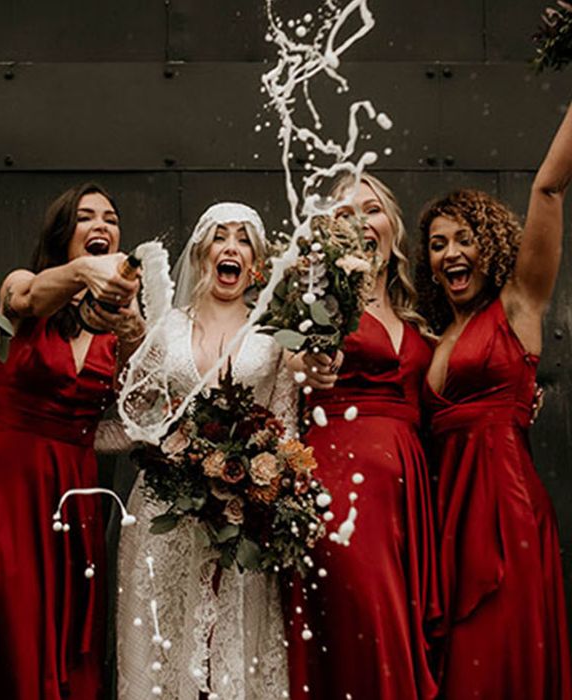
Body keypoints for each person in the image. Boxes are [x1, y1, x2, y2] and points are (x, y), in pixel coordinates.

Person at [0, 182, 142, 699]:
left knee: (68, 640)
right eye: (86, 217)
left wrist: (136, 330)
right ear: (61, 235)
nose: (102, 226)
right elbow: (24, 296)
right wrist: (83, 275)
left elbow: (143, 409)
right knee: (4, 628)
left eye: (111, 219)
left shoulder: (121, 322)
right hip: (3, 489)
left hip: (76, 493)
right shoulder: (23, 288)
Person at [417, 103, 572, 699]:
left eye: (464, 238)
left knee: (500, 664)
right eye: (436, 244)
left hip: (505, 518)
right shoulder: (429, 339)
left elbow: (550, 188)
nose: (450, 252)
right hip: (446, 524)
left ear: (492, 246)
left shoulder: (517, 305)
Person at [115, 202, 295, 699]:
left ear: (256, 262)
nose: (230, 247)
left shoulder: (272, 336)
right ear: (202, 253)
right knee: (160, 633)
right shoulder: (166, 327)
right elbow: (138, 407)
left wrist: (265, 490)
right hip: (163, 507)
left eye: (242, 239)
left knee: (232, 640)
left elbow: (285, 424)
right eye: (220, 237)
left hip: (238, 512)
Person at [282, 173, 440, 700]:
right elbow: (292, 364)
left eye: (371, 210)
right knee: (369, 619)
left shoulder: (418, 310)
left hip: (407, 493)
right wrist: (306, 365)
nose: (361, 223)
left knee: (398, 620)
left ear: (391, 226)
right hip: (340, 483)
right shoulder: (316, 304)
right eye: (345, 214)